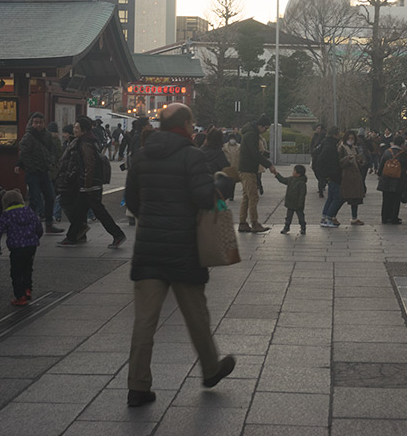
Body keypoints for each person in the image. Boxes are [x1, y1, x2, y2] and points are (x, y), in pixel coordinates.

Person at [125, 103, 235, 408]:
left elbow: (132, 200)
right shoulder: (192, 155)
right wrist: (220, 184)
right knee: (196, 315)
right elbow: (203, 197)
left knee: (144, 321)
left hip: (148, 250)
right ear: (185, 124)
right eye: (192, 121)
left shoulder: (142, 156)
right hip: (184, 249)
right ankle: (211, 369)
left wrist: (150, 220)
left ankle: (137, 385)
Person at [56, 116, 126, 248]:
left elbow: (89, 164)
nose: (74, 129)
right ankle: (72, 237)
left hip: (89, 185)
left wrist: (86, 183)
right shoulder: (88, 140)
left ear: (84, 129)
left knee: (98, 212)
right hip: (89, 184)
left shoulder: (85, 143)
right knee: (79, 211)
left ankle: (118, 234)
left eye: (77, 127)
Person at [0, 189, 42, 306]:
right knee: (27, 269)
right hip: (31, 247)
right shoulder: (28, 211)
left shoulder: (7, 215)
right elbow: (38, 226)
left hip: (17, 248)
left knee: (16, 272)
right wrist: (36, 237)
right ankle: (28, 289)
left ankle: (20, 296)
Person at [16, 112, 64, 235]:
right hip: (33, 173)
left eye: (41, 122)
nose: (38, 125)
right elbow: (24, 154)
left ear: (44, 123)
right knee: (35, 199)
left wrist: (51, 162)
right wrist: (30, 167)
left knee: (50, 196)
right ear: (31, 123)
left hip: (44, 171)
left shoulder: (47, 136)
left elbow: (52, 150)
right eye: (36, 122)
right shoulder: (28, 137)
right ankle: (28, 225)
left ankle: (49, 224)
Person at [237, 114, 273, 233]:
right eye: (265, 128)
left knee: (247, 197)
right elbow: (255, 153)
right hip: (247, 170)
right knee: (253, 196)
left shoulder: (251, 133)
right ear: (260, 126)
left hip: (247, 168)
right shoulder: (251, 134)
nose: (265, 131)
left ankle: (243, 222)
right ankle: (254, 222)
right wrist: (269, 165)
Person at [377, 135, 407, 225]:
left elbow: (381, 165)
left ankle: (385, 218)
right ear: (401, 144)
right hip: (398, 180)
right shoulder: (403, 154)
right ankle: (393, 218)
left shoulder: (387, 152)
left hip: (385, 179)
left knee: (386, 199)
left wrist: (379, 174)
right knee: (396, 200)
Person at [336, 130, 367, 225]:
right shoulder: (342, 148)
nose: (351, 140)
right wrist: (347, 160)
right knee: (343, 197)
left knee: (355, 198)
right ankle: (332, 215)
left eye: (352, 138)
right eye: (349, 138)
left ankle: (354, 217)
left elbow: (360, 161)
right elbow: (338, 162)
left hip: (356, 176)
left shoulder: (355, 148)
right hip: (347, 176)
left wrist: (360, 161)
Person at [270, 164, 308, 234]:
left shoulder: (302, 183)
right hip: (290, 203)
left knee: (301, 217)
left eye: (294, 171)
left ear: (298, 174)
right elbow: (283, 180)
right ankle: (286, 227)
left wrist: (300, 204)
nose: (293, 172)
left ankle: (303, 227)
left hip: (298, 204)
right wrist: (276, 174)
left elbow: (302, 195)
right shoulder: (291, 179)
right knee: (288, 217)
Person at [317, 126, 343, 228]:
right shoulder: (330, 146)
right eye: (338, 134)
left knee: (331, 197)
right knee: (339, 197)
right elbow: (322, 160)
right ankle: (328, 217)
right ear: (334, 135)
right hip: (333, 175)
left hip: (330, 175)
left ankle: (325, 217)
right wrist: (327, 174)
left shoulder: (325, 142)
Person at [309, 124, 327, 197]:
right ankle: (322, 182)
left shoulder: (324, 137)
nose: (318, 129)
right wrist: (311, 151)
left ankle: (321, 186)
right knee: (316, 172)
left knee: (321, 174)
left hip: (321, 158)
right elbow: (312, 145)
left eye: (320, 128)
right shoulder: (314, 136)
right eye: (317, 128)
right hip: (315, 157)